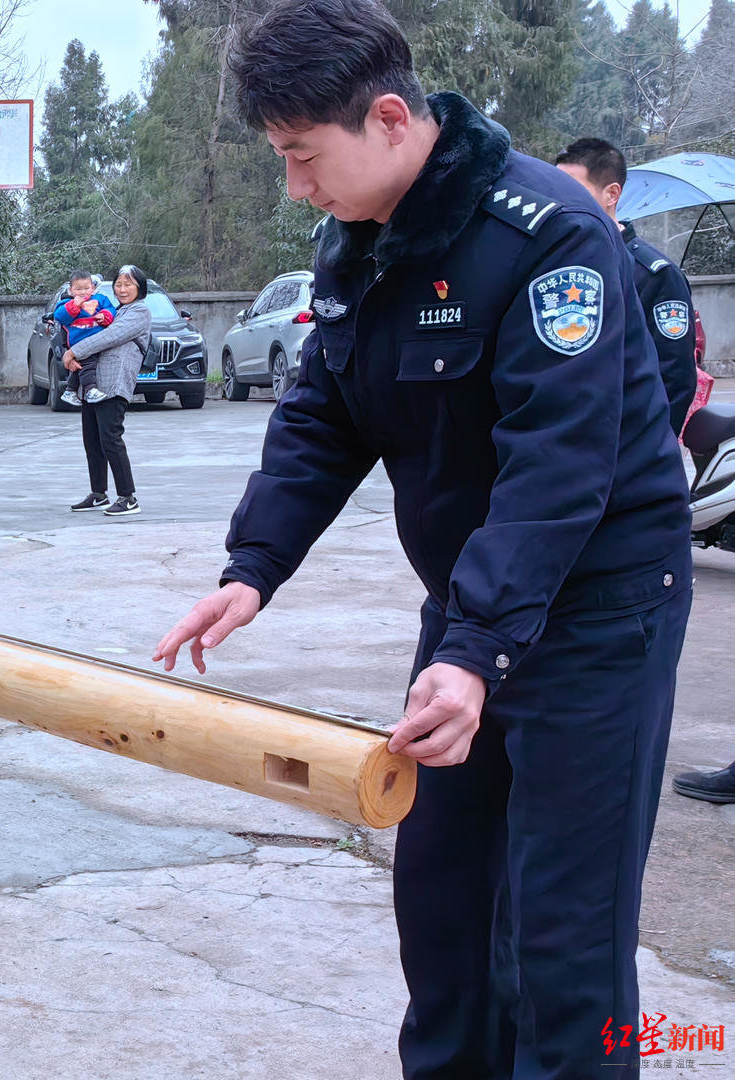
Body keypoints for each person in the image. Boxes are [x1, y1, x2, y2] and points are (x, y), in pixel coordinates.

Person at [151, 2, 692, 1075]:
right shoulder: (357, 241)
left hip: (595, 613)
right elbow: (323, 410)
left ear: (388, 118)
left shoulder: (547, 235)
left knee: (561, 933)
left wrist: (473, 650)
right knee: (439, 903)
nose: (296, 186)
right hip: (469, 613)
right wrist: (252, 566)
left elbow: (558, 463)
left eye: (303, 157)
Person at [554, 137, 700, 437]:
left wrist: (648, 456)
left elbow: (675, 379)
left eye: (572, 190)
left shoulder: (655, 275)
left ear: (612, 194)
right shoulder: (556, 267)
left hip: (628, 451)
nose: (558, 200)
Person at [64, 266, 150, 517]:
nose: (122, 290)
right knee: (92, 441)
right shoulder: (115, 310)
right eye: (119, 285)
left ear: (139, 288)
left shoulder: (139, 312)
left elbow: (109, 337)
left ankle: (128, 497)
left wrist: (73, 352)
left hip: (114, 384)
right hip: (93, 385)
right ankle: (99, 494)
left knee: (110, 439)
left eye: (128, 285)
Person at [53, 270, 117, 406]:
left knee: (80, 367)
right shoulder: (66, 303)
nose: (83, 292)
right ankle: (90, 390)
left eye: (86, 288)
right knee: (88, 365)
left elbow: (112, 309)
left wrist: (105, 316)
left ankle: (70, 390)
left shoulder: (101, 299)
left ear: (93, 288)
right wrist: (74, 306)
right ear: (71, 290)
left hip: (97, 340)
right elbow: (60, 316)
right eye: (78, 289)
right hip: (79, 342)